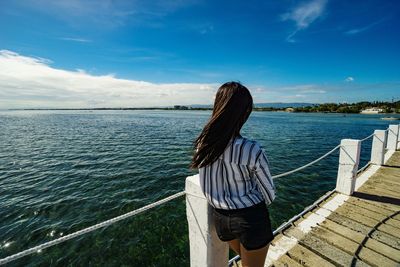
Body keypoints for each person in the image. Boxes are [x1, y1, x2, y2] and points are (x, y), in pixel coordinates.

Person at [191, 81, 276, 267]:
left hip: (221, 219)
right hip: (250, 219)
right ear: (244, 113)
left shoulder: (202, 145)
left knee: (246, 261)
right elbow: (269, 195)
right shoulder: (251, 149)